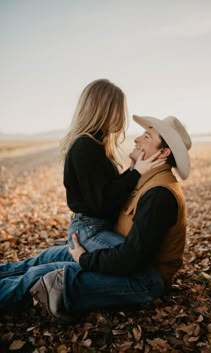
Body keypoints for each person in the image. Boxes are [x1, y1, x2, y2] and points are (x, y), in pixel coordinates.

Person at [0, 80, 163, 315]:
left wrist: (133, 169)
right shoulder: (85, 146)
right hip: (91, 229)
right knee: (147, 279)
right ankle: (58, 284)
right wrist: (135, 172)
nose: (122, 116)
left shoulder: (94, 145)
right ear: (105, 109)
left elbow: (105, 190)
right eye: (119, 109)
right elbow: (101, 202)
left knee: (37, 263)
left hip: (89, 227)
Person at [30, 114, 192, 322]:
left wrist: (85, 258)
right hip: (118, 255)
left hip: (144, 276)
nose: (136, 139)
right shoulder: (144, 179)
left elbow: (132, 256)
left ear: (164, 153)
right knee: (42, 260)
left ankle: (64, 286)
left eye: (147, 137)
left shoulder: (159, 193)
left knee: (43, 273)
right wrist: (90, 241)